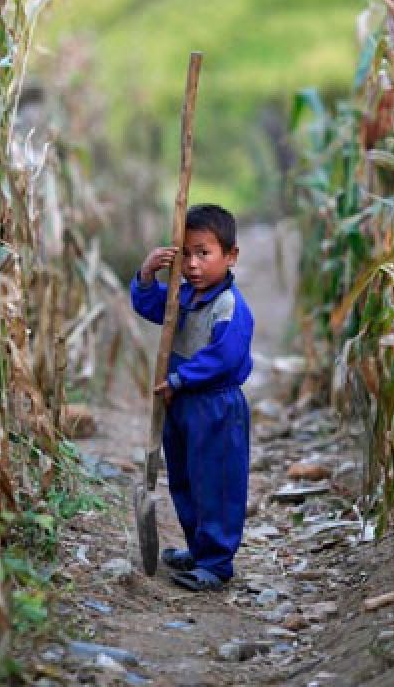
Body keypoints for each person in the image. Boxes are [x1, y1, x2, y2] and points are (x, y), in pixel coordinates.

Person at [130, 203, 255, 591]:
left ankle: (217, 563)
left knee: (215, 482)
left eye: (204, 253)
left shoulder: (229, 306)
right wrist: (148, 274)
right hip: (180, 405)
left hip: (215, 406)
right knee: (185, 478)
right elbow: (152, 308)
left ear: (230, 256)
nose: (193, 264)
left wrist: (182, 378)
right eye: (185, 254)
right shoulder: (181, 297)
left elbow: (225, 356)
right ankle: (198, 549)